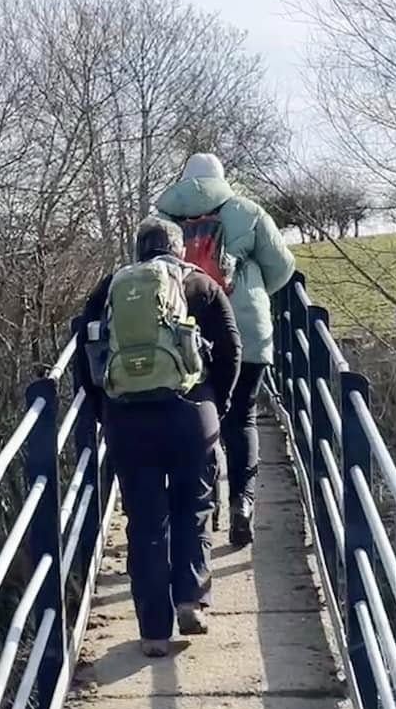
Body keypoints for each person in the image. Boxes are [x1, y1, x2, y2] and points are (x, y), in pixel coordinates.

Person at [77, 215, 241, 659]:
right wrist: (217, 405)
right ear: (179, 248)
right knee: (194, 506)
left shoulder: (110, 287)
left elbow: (84, 352)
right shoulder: (199, 284)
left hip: (128, 420)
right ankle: (190, 598)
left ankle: (153, 632)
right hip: (191, 416)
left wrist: (102, 412)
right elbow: (231, 347)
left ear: (137, 251)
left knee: (146, 523)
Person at [155, 151, 296, 548]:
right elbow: (283, 266)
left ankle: (206, 501)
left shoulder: (166, 218)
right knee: (243, 416)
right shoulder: (248, 211)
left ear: (185, 179)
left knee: (197, 416)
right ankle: (243, 503)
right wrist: (253, 294)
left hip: (184, 333)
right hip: (247, 330)